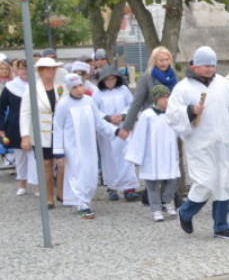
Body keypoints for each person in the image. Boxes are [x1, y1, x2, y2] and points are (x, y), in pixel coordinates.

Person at [167, 46, 229, 240]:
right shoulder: (183, 88)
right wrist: (191, 111)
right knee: (206, 182)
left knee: (224, 182)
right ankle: (186, 212)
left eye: (212, 65)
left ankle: (221, 226)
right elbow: (172, 115)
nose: (209, 69)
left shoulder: (223, 84)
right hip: (200, 143)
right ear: (195, 66)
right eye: (205, 65)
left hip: (223, 141)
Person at [52, 74, 116, 219]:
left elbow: (99, 122)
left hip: (89, 146)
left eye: (80, 86)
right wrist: (59, 152)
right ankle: (82, 204)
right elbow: (58, 129)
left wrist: (115, 131)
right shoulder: (63, 105)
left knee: (91, 174)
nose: (79, 90)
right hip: (72, 147)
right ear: (69, 89)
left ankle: (86, 199)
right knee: (77, 174)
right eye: (74, 87)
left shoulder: (89, 101)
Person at [125, 84, 180, 222]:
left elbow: (180, 130)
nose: (166, 100)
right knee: (152, 184)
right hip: (152, 155)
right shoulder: (147, 115)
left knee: (174, 179)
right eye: (163, 97)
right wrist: (136, 156)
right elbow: (139, 136)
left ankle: (166, 201)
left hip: (168, 153)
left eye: (168, 97)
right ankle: (156, 209)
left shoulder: (172, 113)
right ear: (156, 99)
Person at [19, 55, 61, 207]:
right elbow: (25, 113)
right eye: (48, 69)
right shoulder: (31, 89)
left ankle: (62, 193)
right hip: (41, 132)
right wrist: (25, 136)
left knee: (63, 163)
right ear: (41, 71)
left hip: (60, 131)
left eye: (53, 69)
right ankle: (48, 197)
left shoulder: (61, 86)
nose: (51, 72)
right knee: (46, 164)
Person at [93, 65, 139, 202]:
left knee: (126, 157)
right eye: (107, 79)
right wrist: (108, 117)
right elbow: (95, 112)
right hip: (107, 131)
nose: (110, 82)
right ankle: (112, 187)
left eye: (113, 79)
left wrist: (123, 115)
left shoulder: (124, 90)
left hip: (123, 127)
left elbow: (131, 105)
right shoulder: (97, 94)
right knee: (110, 159)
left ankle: (129, 188)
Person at [123, 46, 178, 136]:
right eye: (161, 60)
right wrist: (126, 127)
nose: (164, 63)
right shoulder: (146, 77)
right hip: (153, 123)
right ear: (154, 61)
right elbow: (137, 103)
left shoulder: (174, 76)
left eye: (166, 60)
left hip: (171, 122)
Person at [0, 59, 30, 194]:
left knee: (36, 157)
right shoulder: (10, 87)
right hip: (16, 126)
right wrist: (1, 129)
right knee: (21, 157)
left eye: (27, 68)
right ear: (16, 70)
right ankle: (22, 184)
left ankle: (37, 185)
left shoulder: (38, 85)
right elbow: (1, 109)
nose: (24, 71)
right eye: (22, 68)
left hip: (35, 126)